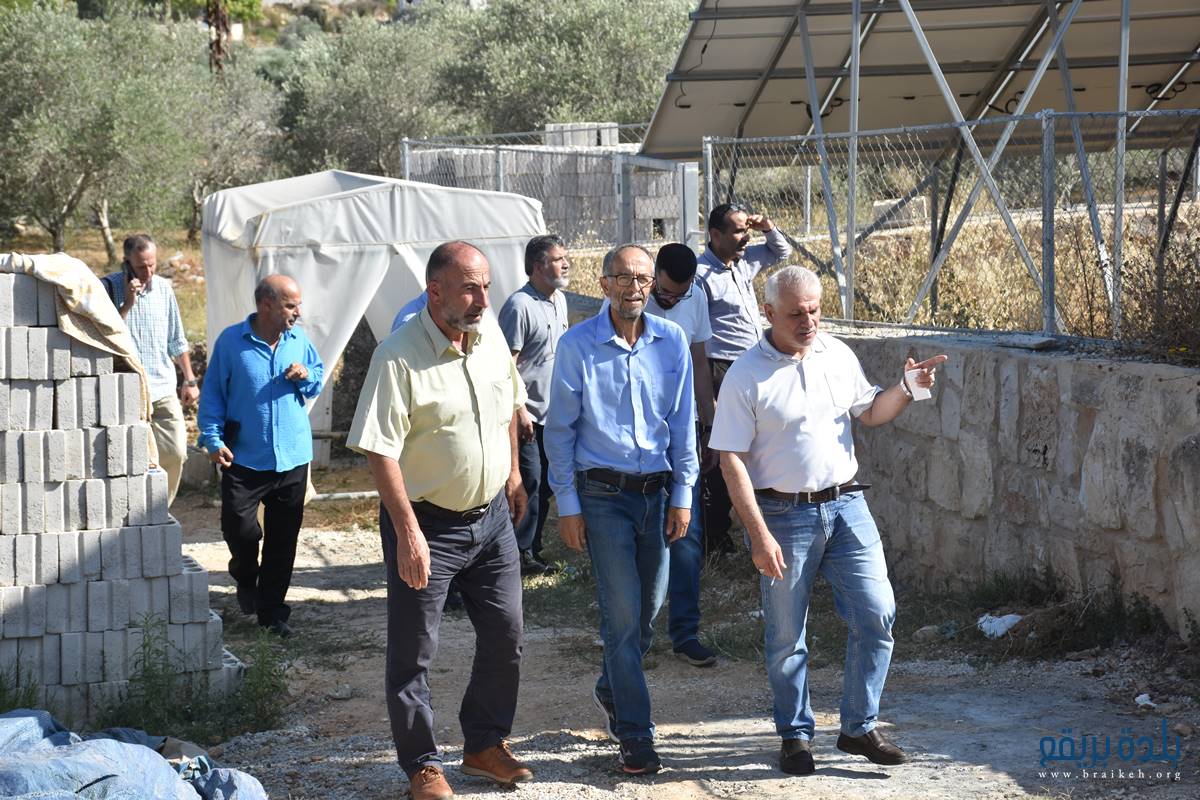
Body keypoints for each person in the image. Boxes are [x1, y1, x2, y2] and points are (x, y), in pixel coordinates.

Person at [709, 265, 946, 776]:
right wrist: (757, 534)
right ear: (768, 313)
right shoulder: (745, 374)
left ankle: (858, 727)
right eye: (796, 313)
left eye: (815, 310)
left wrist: (907, 388)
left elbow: (871, 411)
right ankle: (795, 735)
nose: (808, 321)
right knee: (785, 635)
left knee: (877, 612)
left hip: (847, 506)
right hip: (781, 515)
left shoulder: (837, 354)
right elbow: (730, 460)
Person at [347, 241, 533, 800]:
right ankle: (422, 767)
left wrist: (514, 474)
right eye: (470, 288)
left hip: (492, 521)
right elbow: (379, 450)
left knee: (506, 635)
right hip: (427, 525)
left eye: (486, 287)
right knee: (414, 652)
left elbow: (508, 408)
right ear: (435, 291)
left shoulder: (490, 337)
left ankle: (484, 745)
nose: (483, 299)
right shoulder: (397, 357)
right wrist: (408, 532)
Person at [544, 243, 697, 775]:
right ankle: (635, 732)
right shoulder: (577, 345)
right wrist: (567, 504)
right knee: (623, 614)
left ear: (652, 285)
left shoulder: (672, 341)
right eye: (624, 278)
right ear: (605, 284)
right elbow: (559, 430)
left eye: (643, 278)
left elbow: (683, 424)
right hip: (602, 497)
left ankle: (611, 685)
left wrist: (683, 494)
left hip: (657, 496)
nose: (634, 287)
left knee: (647, 610)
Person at [197, 274, 324, 638]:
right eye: (290, 305)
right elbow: (213, 395)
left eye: (298, 305)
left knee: (283, 540)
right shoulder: (231, 343)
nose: (298, 313)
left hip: (292, 457)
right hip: (244, 458)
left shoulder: (299, 340)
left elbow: (316, 378)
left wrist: (305, 375)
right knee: (240, 529)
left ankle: (272, 614)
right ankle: (245, 574)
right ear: (267, 305)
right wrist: (211, 438)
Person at [694, 204, 793, 555]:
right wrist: (708, 395)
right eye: (737, 231)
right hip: (722, 369)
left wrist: (767, 226)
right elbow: (696, 337)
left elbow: (781, 251)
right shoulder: (700, 276)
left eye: (746, 230)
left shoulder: (745, 261)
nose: (745, 237)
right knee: (724, 450)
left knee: (760, 445)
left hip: (753, 366)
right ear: (714, 235)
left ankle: (758, 526)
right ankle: (714, 534)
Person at [644, 243, 717, 668]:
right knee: (639, 536)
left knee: (687, 536)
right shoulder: (630, 299)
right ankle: (632, 632)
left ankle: (685, 633)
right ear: (654, 276)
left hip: (683, 431)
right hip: (637, 435)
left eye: (680, 294)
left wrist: (709, 426)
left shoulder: (696, 297)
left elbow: (700, 363)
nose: (672, 300)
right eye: (666, 293)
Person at [100, 233, 198, 505]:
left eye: (152, 264)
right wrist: (127, 304)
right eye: (141, 266)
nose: (148, 271)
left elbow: (177, 339)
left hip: (162, 387)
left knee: (176, 452)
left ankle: (161, 510)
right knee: (131, 459)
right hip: (126, 390)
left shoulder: (164, 289)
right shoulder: (107, 288)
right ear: (127, 262)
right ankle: (135, 513)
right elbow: (105, 336)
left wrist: (189, 379)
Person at [498, 234, 570, 575]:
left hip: (556, 415)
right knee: (530, 483)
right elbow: (506, 366)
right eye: (558, 259)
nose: (566, 265)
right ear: (538, 266)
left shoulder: (560, 300)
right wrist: (520, 410)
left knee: (550, 482)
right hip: (527, 416)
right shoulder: (519, 306)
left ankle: (531, 547)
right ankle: (518, 554)